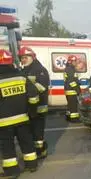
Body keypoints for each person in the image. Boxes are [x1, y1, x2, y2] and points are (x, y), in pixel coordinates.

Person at [0, 49, 39, 178]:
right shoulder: (21, 77)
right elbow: (33, 96)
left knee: (8, 146)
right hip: (23, 118)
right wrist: (32, 111)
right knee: (26, 142)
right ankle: (32, 165)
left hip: (4, 122)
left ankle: (12, 171)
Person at [19, 46, 50, 160]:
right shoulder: (24, 70)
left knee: (37, 133)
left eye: (26, 57)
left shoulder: (40, 70)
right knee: (30, 132)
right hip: (28, 107)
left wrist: (29, 85)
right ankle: (34, 151)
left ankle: (41, 151)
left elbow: (42, 88)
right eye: (22, 58)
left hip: (39, 107)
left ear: (33, 57)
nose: (23, 60)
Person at [64, 55, 81, 122]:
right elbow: (71, 81)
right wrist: (77, 90)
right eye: (75, 61)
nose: (76, 62)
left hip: (69, 90)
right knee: (73, 106)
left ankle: (68, 117)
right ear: (71, 62)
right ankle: (74, 119)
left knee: (70, 105)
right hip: (72, 91)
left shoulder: (69, 68)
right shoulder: (70, 69)